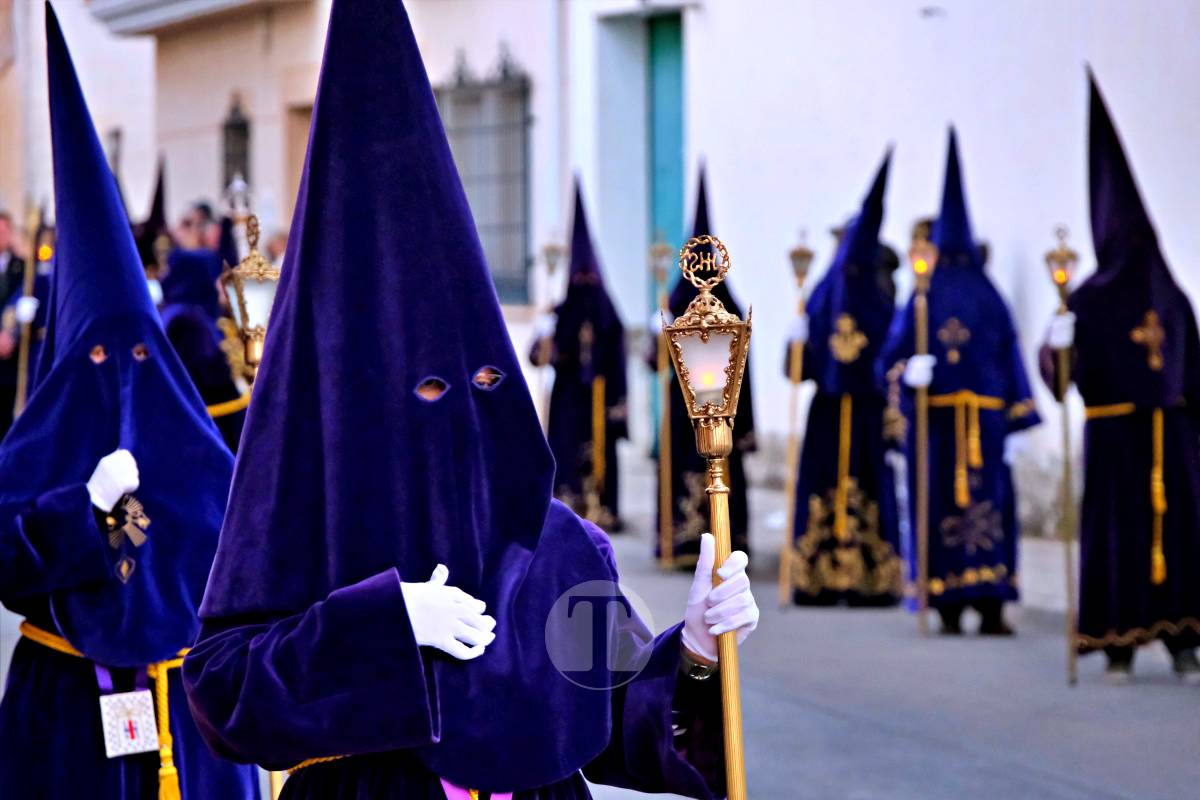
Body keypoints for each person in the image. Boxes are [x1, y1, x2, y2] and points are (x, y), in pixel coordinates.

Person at [182, 1, 759, 797]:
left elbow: (614, 719)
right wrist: (383, 627)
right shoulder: (308, 520)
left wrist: (694, 645)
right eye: (426, 388)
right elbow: (223, 691)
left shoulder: (555, 542)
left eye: (485, 382)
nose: (458, 407)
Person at [0, 8, 260, 798]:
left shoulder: (196, 444)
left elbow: (246, 567)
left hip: (190, 715)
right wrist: (79, 511)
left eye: (138, 353)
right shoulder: (33, 446)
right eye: (101, 356)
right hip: (67, 708)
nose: (121, 374)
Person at [1039, 73, 1200, 682]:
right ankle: (1124, 644)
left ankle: (1177, 641)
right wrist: (1057, 347)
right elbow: (1060, 377)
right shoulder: (1096, 298)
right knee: (1124, 538)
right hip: (1123, 440)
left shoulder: (1160, 295)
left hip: (1161, 438)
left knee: (1174, 536)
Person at [879, 130, 1040, 636]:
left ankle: (982, 602)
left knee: (981, 505)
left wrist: (1016, 420)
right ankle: (955, 604)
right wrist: (911, 378)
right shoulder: (930, 298)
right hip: (943, 426)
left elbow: (1008, 353)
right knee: (945, 505)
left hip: (976, 427)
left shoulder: (949, 296)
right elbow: (893, 360)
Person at [783, 150, 903, 606]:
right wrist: (797, 345)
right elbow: (798, 368)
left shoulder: (882, 294)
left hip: (868, 409)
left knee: (870, 487)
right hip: (830, 410)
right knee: (822, 486)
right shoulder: (821, 294)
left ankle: (871, 577)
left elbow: (893, 351)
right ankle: (815, 576)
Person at [654, 166, 757, 565]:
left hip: (721, 407)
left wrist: (744, 426)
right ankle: (681, 540)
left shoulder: (728, 309)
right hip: (684, 414)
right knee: (686, 464)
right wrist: (656, 336)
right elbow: (656, 363)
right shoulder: (674, 306)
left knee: (722, 468)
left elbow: (746, 366)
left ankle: (728, 536)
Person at [529, 181, 628, 530]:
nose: (585, 280)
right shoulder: (562, 311)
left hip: (598, 399)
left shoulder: (606, 312)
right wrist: (543, 334)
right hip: (569, 399)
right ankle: (567, 512)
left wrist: (619, 403)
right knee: (567, 453)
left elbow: (617, 357)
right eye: (580, 274)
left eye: (589, 274)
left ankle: (603, 508)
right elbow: (538, 359)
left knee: (599, 459)